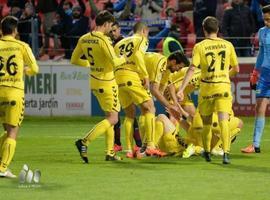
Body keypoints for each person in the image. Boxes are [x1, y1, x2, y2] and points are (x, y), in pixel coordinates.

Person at [177, 16, 239, 164]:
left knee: (206, 123)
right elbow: (236, 69)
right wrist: (224, 76)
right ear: (217, 29)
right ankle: (226, 154)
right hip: (223, 87)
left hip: (207, 89)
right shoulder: (228, 45)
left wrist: (181, 89)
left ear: (204, 30)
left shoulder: (200, 46)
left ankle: (207, 152)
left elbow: (192, 69)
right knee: (224, 120)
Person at [71, 11, 125, 163]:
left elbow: (74, 60)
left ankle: (110, 153)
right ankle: (84, 141)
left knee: (109, 117)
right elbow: (115, 62)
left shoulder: (84, 38)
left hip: (94, 81)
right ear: (106, 24)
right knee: (113, 118)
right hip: (107, 82)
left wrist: (88, 63)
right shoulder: (103, 40)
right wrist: (124, 58)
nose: (111, 29)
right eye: (111, 26)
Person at [114, 22, 164, 157]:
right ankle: (151, 146)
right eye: (147, 33)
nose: (147, 36)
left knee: (129, 114)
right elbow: (137, 56)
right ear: (144, 31)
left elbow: (113, 61)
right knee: (150, 108)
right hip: (131, 75)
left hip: (118, 78)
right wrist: (145, 75)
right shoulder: (141, 40)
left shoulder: (119, 43)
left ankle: (130, 150)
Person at [0, 16, 39, 177]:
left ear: (1, 30)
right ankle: (2, 168)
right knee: (13, 132)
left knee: (6, 129)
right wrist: (25, 71)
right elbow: (35, 69)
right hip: (14, 91)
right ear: (15, 31)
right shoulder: (22, 46)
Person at [109, 21, 142, 153]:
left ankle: (138, 143)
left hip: (126, 78)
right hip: (113, 80)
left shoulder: (126, 42)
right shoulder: (109, 44)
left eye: (114, 30)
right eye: (110, 31)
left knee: (131, 112)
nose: (112, 33)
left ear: (119, 30)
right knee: (114, 113)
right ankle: (117, 143)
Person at [241, 5, 270, 153]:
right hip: (265, 75)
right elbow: (261, 54)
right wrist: (255, 73)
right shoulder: (262, 32)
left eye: (269, 20)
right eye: (265, 19)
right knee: (259, 107)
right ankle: (255, 144)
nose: (266, 22)